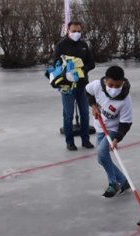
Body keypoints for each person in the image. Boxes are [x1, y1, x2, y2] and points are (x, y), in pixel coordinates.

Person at [86, 66, 132, 198]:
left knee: (101, 153)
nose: (113, 89)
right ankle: (123, 181)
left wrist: (117, 138)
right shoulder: (96, 86)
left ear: (123, 83)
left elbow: (126, 123)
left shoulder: (125, 100)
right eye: (110, 84)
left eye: (117, 86)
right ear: (105, 80)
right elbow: (87, 92)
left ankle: (114, 183)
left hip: (113, 129)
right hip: (100, 127)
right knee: (102, 159)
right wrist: (93, 106)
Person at [53, 21, 95, 151]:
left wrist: (83, 70)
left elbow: (91, 63)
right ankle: (69, 141)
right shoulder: (61, 45)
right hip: (67, 86)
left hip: (83, 85)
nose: (76, 33)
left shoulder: (83, 45)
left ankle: (85, 140)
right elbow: (56, 64)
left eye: (79, 31)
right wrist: (67, 72)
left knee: (84, 113)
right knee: (68, 114)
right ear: (68, 31)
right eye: (74, 31)